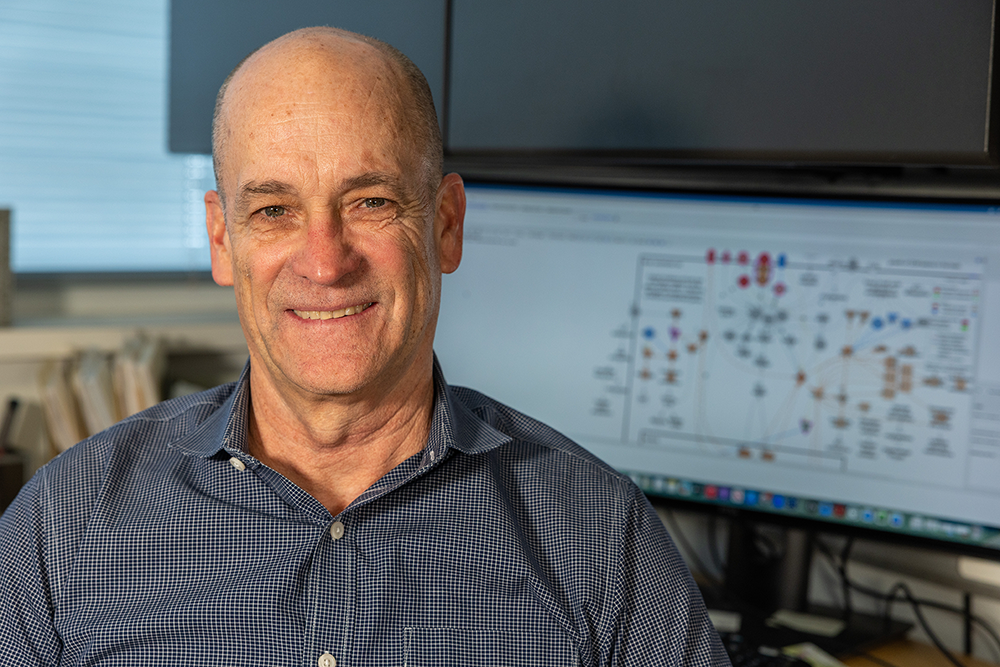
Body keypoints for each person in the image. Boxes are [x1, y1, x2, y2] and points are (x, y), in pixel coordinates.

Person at [0, 27, 729, 666]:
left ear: (446, 225)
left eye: (370, 201)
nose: (324, 261)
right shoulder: (65, 521)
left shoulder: (601, 533)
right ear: (223, 238)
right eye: (275, 209)